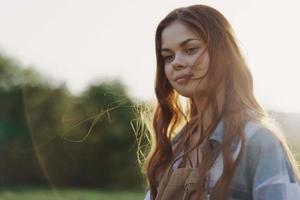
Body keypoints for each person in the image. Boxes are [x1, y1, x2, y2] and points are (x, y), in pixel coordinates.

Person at [139, 4, 300, 200]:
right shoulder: (173, 147)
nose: (176, 62)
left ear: (223, 53)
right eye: (168, 56)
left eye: (190, 49)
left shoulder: (258, 141)